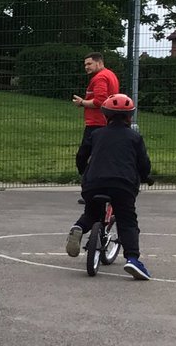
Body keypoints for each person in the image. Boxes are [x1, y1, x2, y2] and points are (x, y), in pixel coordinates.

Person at [64, 93, 152, 280]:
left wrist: (84, 173)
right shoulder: (135, 137)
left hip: (93, 183)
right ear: (130, 117)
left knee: (91, 213)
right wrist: (146, 177)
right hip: (123, 185)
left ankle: (78, 227)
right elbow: (143, 164)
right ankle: (133, 260)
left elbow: (81, 155)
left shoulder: (96, 134)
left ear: (105, 115)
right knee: (127, 220)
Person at [72, 53, 120, 203]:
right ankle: (104, 190)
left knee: (82, 158)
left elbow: (100, 101)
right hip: (106, 123)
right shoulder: (110, 75)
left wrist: (82, 103)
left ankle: (91, 189)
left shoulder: (99, 78)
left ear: (99, 63)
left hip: (96, 124)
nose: (86, 67)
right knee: (102, 159)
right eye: (85, 64)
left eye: (89, 64)